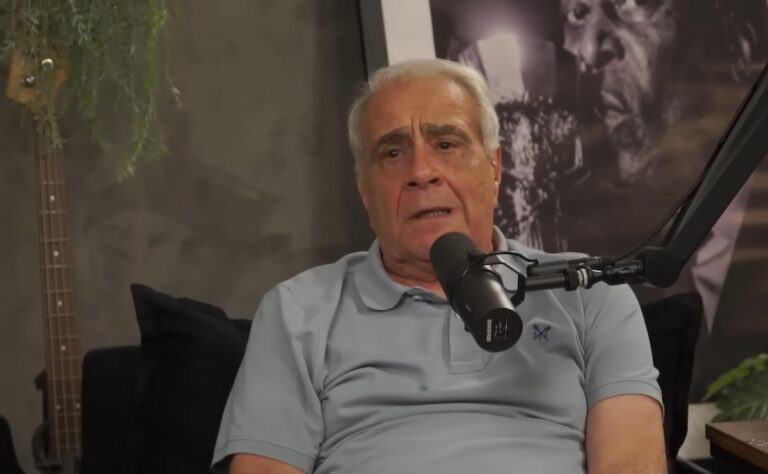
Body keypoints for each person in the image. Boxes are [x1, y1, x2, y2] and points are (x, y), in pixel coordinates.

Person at [212, 58, 666, 473]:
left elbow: (632, 466)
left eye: (446, 144)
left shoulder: (588, 292)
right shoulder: (297, 311)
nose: (421, 172)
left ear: (494, 168)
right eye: (392, 153)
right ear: (364, 190)